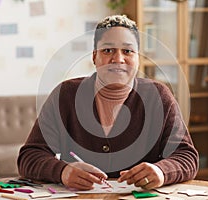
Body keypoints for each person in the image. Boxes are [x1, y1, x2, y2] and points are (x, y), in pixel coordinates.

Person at [17, 15, 198, 190]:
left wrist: (161, 171)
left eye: (127, 51)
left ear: (138, 58)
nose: (118, 59)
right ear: (94, 57)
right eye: (107, 50)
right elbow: (29, 156)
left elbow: (187, 156)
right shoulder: (65, 95)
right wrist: (62, 171)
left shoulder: (159, 96)